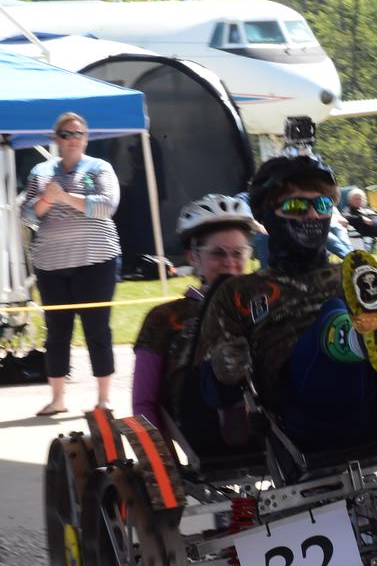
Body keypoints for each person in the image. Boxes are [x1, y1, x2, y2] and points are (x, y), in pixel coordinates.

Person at [198, 155, 377, 457]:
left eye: (323, 205)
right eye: (297, 206)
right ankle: (355, 338)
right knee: (335, 312)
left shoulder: (359, 274)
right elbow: (215, 396)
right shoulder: (237, 292)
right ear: (266, 216)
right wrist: (223, 370)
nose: (313, 215)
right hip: (308, 420)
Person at [21, 112, 122, 417]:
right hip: (51, 265)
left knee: (97, 328)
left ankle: (103, 398)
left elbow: (106, 206)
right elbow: (27, 214)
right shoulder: (40, 172)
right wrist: (48, 200)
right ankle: (57, 399)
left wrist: (63, 197)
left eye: (77, 134)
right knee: (56, 331)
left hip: (96, 261)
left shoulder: (98, 168)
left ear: (86, 138)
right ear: (56, 139)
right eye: (65, 134)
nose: (72, 139)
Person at [132, 194, 256, 433]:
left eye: (239, 252)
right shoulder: (165, 318)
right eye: (218, 253)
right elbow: (144, 404)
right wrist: (164, 464)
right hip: (203, 433)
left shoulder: (263, 304)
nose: (230, 263)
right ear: (193, 257)